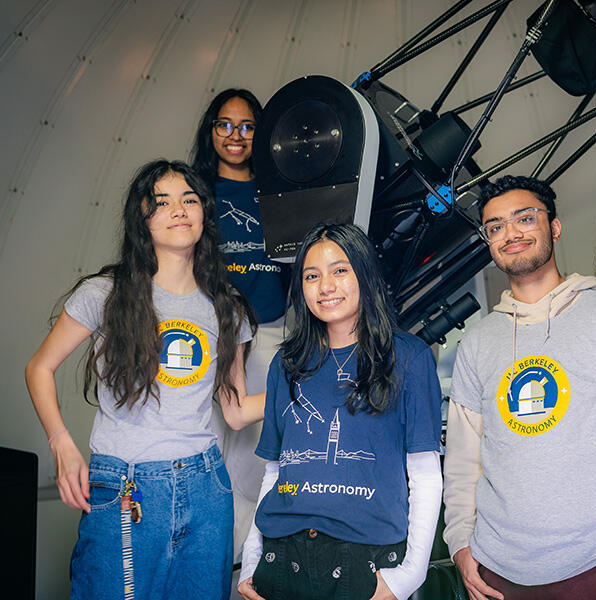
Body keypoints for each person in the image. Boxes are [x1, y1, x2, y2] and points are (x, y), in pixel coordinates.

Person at [443, 175, 596, 600]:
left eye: (525, 218)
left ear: (554, 228)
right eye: (496, 226)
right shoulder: (479, 342)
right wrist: (461, 544)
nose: (511, 234)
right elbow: (464, 457)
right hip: (497, 572)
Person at [25, 160, 264, 599]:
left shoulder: (227, 306)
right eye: (162, 202)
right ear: (143, 218)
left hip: (206, 489)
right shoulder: (105, 294)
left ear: (204, 214)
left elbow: (235, 411)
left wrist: (307, 387)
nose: (178, 210)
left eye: (189, 200)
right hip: (124, 489)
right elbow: (39, 367)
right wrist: (61, 443)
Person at [237, 223, 443, 600]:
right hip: (282, 557)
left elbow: (425, 474)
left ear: (365, 273)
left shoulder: (409, 358)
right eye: (311, 276)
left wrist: (408, 577)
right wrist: (251, 562)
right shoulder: (287, 363)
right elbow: (274, 470)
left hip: (364, 561)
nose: (325, 286)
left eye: (340, 270)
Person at [190, 88, 289, 559]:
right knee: (204, 446)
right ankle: (201, 557)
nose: (236, 136)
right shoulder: (196, 194)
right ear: (211, 131)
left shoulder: (279, 190)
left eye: (248, 126)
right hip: (211, 337)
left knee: (254, 457)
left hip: (270, 332)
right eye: (225, 125)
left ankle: (242, 569)